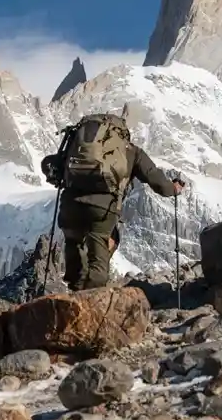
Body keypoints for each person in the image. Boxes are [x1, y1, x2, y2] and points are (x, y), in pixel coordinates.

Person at [46, 110, 184, 291]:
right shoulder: (131, 151)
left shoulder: (75, 146)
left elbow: (48, 164)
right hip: (102, 209)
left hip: (70, 204)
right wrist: (173, 188)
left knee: (73, 245)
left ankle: (74, 295)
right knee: (99, 255)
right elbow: (157, 182)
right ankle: (91, 300)